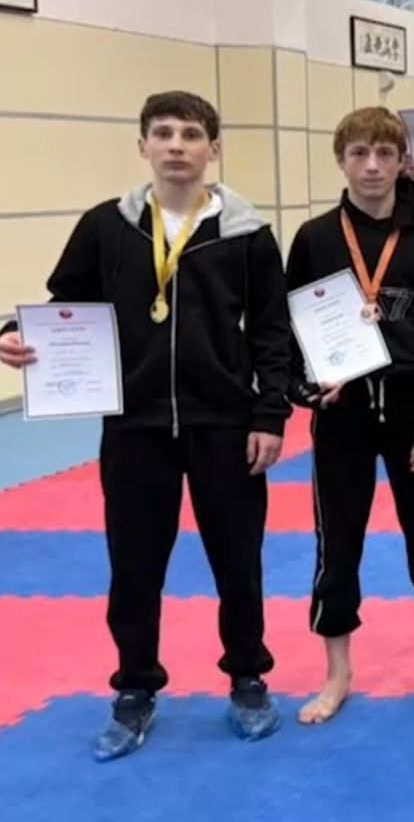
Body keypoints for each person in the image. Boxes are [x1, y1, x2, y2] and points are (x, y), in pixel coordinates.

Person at [0, 91, 291, 760]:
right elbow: (67, 303)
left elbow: (272, 331)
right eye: (163, 133)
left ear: (214, 148)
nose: (176, 145)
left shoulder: (247, 233)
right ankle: (134, 687)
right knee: (133, 566)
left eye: (190, 134)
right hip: (134, 424)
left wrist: (269, 412)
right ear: (142, 146)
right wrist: (14, 331)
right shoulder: (108, 227)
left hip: (225, 422)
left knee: (238, 563)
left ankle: (248, 677)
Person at [287, 106, 414, 725]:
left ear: (402, 162)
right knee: (337, 544)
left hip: (412, 406)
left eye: (384, 154)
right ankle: (337, 673)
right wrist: (301, 385)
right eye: (359, 154)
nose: (372, 166)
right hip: (342, 411)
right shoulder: (315, 237)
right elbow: (290, 328)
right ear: (340, 161)